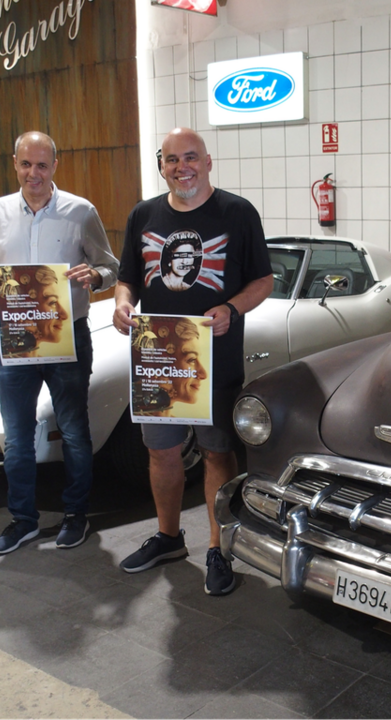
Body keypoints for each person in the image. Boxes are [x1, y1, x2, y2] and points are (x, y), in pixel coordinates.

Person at [114, 127, 273, 595]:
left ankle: (217, 548)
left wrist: (232, 308)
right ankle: (168, 537)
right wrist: (122, 304)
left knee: (216, 451)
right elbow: (128, 279)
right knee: (161, 452)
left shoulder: (237, 213)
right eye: (170, 160)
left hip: (214, 357)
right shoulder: (143, 215)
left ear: (207, 161)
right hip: (160, 355)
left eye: (190, 158)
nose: (181, 167)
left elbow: (262, 281)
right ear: (160, 165)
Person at [0, 131, 118, 555]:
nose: (34, 173)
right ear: (14, 163)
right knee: (15, 436)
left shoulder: (80, 211)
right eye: (26, 165)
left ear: (55, 165)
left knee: (73, 432)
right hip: (14, 338)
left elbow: (110, 265)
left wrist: (97, 277)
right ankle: (23, 521)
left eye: (42, 165)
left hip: (67, 336)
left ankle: (75, 515)